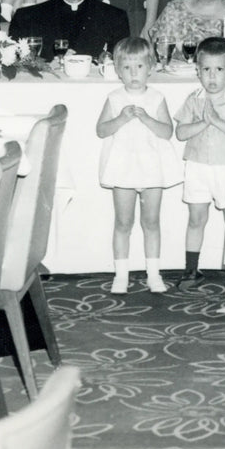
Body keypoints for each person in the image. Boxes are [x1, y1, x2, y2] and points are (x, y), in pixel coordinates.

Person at [96, 36, 181, 294]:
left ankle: (153, 274)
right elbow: (101, 130)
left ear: (151, 67)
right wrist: (121, 118)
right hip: (122, 167)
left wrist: (146, 119)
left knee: (151, 221)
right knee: (123, 222)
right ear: (118, 71)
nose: (134, 73)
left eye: (140, 67)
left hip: (152, 167)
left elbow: (167, 132)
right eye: (127, 68)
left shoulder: (156, 97)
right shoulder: (114, 97)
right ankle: (121, 275)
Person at [173, 36, 225, 290]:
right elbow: (181, 133)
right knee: (196, 218)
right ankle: (191, 270)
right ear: (197, 71)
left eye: (219, 70)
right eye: (206, 70)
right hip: (197, 166)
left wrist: (216, 120)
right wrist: (204, 121)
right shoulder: (194, 99)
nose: (212, 77)